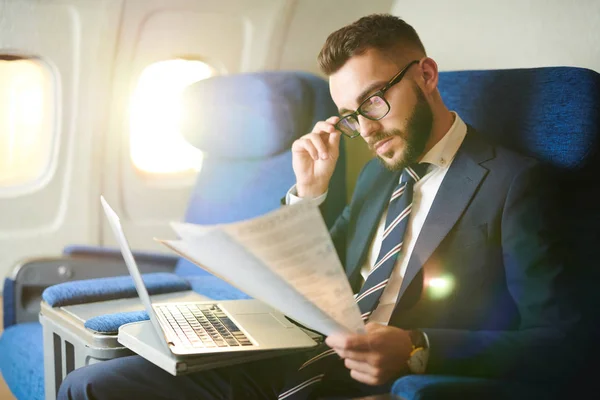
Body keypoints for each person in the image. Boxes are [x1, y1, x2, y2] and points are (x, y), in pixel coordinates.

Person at [58, 13, 575, 400]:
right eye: (350, 115)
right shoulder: (379, 172)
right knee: (90, 388)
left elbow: (565, 345)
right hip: (293, 357)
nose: (366, 130)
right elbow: (317, 274)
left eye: (373, 100)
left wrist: (418, 347)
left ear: (427, 75)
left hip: (376, 387)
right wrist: (309, 194)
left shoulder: (518, 185)